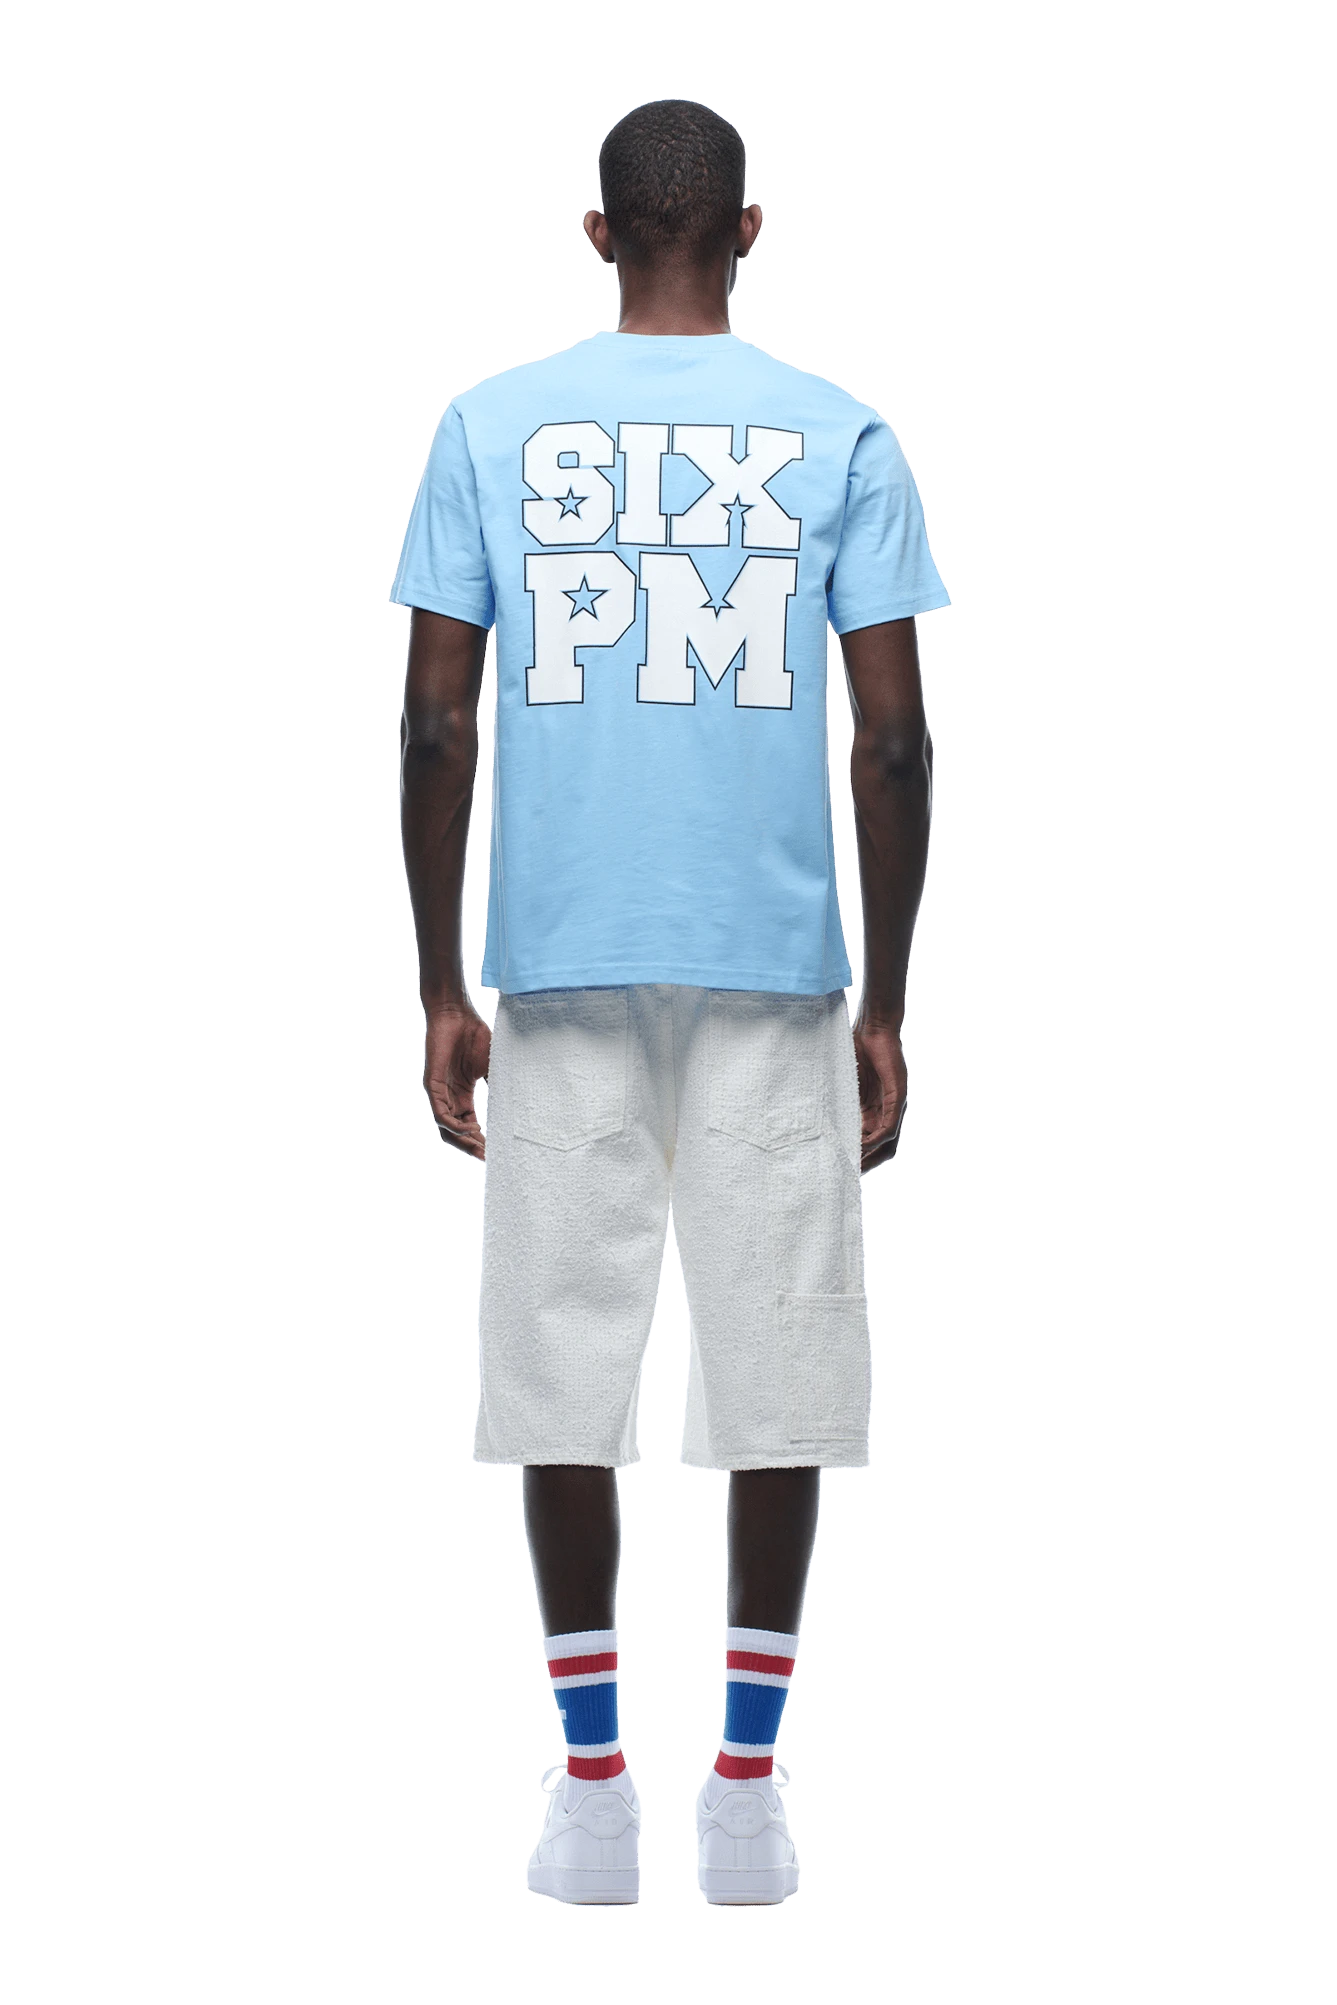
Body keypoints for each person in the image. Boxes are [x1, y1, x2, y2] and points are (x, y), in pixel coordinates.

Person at [393, 98, 950, 1907]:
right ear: (753, 233)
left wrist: (440, 975)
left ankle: (585, 1791)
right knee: (780, 1358)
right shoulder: (843, 429)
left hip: (558, 953)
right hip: (774, 960)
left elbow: (438, 721)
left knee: (562, 1355)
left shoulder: (486, 424)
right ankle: (749, 1792)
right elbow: (890, 738)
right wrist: (885, 997)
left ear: (597, 235)